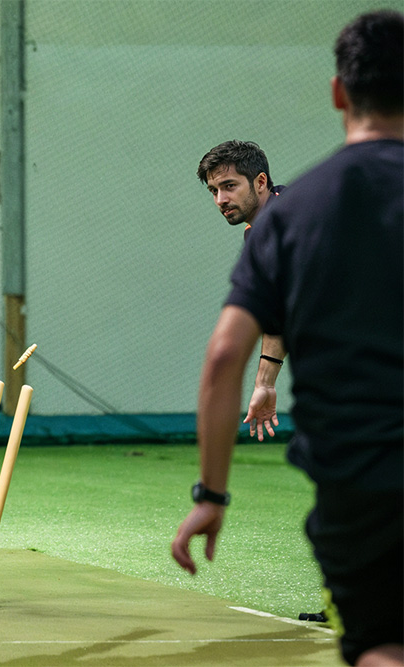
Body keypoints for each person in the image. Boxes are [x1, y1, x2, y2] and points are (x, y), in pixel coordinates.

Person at [173, 10, 403, 666]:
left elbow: (223, 356)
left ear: (339, 92)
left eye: (228, 186)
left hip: (359, 466)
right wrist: (270, 377)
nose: (220, 198)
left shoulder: (295, 216)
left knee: (380, 642)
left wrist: (212, 494)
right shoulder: (274, 223)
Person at [197, 140, 287, 441]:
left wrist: (265, 382)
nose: (221, 199)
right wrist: (265, 383)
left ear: (260, 182)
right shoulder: (258, 233)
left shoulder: (287, 221)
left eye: (229, 186)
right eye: (214, 190)